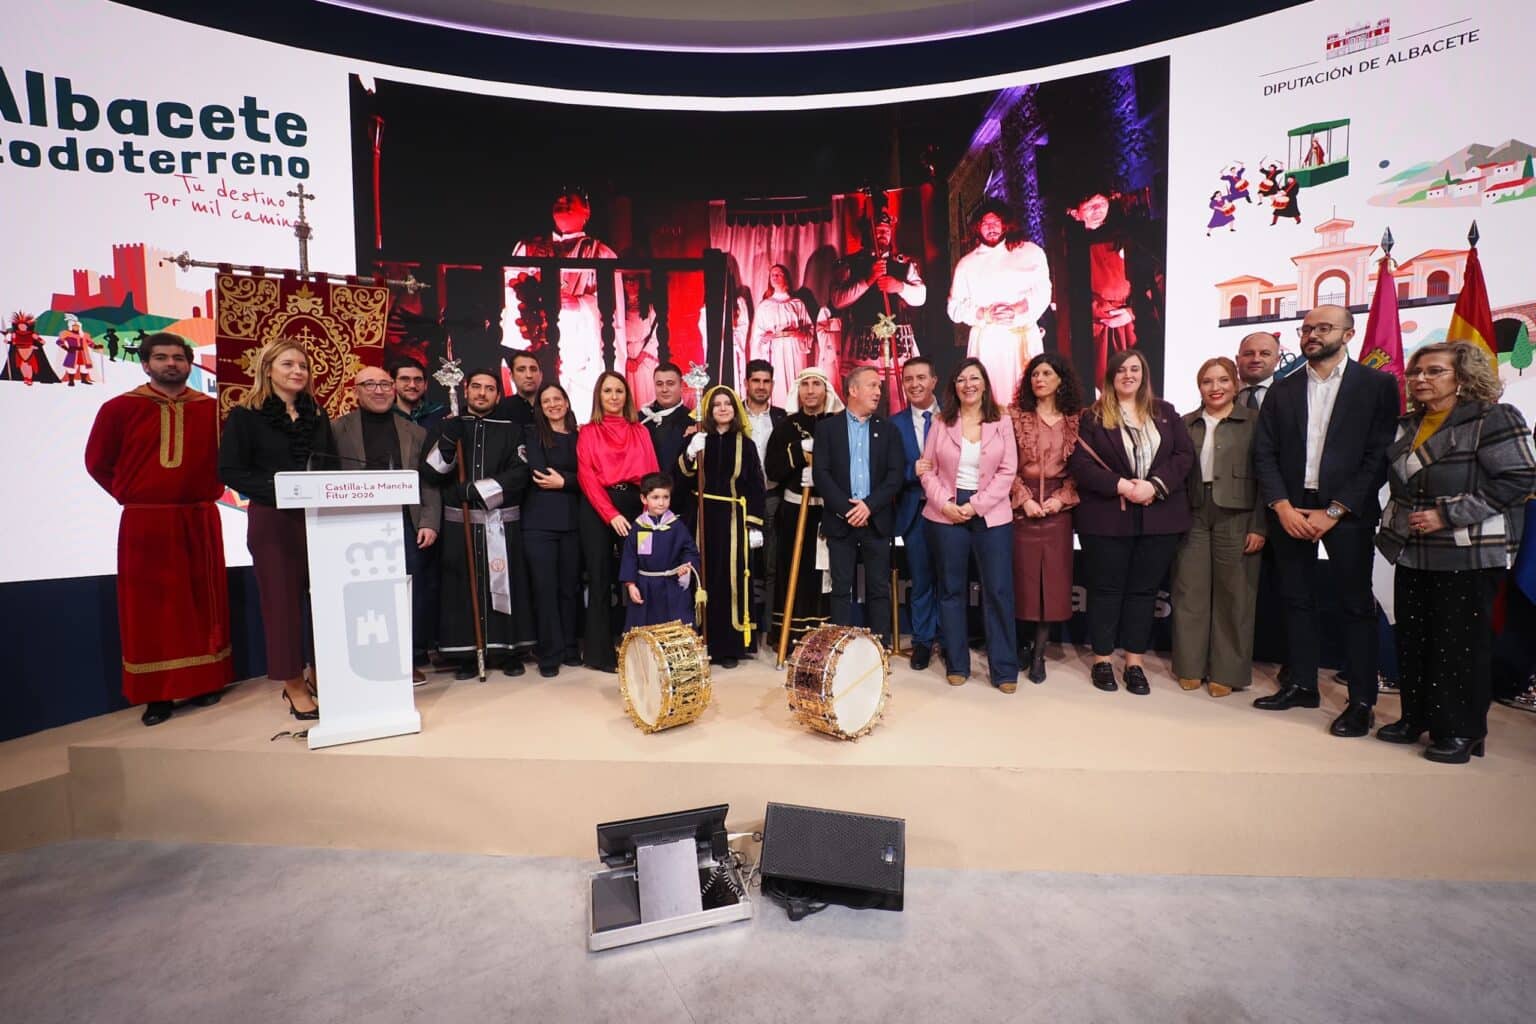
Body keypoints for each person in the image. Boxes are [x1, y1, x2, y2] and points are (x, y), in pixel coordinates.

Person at [1374, 342, 1536, 762]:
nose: (1420, 379)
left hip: (1468, 550)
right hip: (1413, 548)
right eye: (1416, 372)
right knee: (1414, 639)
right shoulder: (1407, 424)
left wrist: (1447, 515)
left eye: (1434, 371)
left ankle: (1462, 731)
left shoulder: (1493, 418)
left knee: (1459, 644)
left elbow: (1518, 478)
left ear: (1462, 377)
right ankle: (1416, 718)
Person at [1251, 305, 1399, 736]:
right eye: (1306, 328)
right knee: (1296, 599)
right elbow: (1265, 452)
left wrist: (1335, 510)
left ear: (1348, 334)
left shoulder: (1377, 385)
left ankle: (1361, 701)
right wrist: (1280, 505)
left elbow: (1379, 455)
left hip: (1345, 512)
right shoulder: (1283, 388)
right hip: (1290, 509)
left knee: (1355, 605)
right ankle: (1302, 684)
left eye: (1323, 328)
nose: (1312, 335)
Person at [85, 333, 232, 726]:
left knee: (202, 603)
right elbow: (98, 462)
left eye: (178, 358)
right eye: (162, 357)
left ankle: (205, 681)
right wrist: (135, 495)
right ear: (146, 363)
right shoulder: (118, 409)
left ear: (189, 363)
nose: (171, 364)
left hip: (198, 518)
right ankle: (157, 694)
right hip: (145, 522)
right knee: (150, 608)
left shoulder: (212, 410)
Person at [1067, 349, 1194, 696]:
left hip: (1159, 517)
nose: (1128, 375)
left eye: (1134, 369)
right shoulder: (1092, 417)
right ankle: (1103, 659)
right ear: (1110, 376)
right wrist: (1122, 486)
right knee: (1105, 590)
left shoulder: (1165, 412)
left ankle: (1134, 662)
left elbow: (1184, 456)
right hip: (1106, 518)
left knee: (1143, 592)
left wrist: (1155, 485)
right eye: (1121, 370)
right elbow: (1080, 465)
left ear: (1144, 374)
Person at [217, 339, 332, 719]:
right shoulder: (245, 416)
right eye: (288, 364)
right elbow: (231, 471)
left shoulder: (317, 414)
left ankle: (320, 674)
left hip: (318, 519)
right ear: (267, 369)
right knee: (282, 605)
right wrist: (282, 491)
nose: (297, 371)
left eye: (303, 365)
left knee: (323, 601)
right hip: (273, 520)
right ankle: (293, 684)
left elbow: (330, 464)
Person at [329, 366, 442, 683]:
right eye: (370, 384)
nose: (378, 390)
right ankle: (364, 660)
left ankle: (408, 658)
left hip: (405, 523)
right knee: (363, 596)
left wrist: (429, 521)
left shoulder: (415, 433)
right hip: (354, 524)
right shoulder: (337, 429)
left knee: (407, 594)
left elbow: (428, 482)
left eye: (384, 384)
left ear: (393, 389)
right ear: (356, 391)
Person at [420, 369, 535, 679]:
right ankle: (467, 654)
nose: (482, 393)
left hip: (500, 521)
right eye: (477, 387)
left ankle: (508, 650)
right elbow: (430, 473)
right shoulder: (447, 426)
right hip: (460, 525)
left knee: (505, 584)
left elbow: (520, 473)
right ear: (466, 390)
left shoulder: (512, 430)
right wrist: (448, 440)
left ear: (498, 395)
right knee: (460, 587)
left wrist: (473, 490)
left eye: (490, 388)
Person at [916, 359, 1020, 690]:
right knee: (951, 590)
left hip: (991, 512)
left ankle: (1004, 669)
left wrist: (975, 505)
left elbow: (1008, 471)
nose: (968, 384)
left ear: (985, 383)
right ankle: (957, 663)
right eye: (961, 379)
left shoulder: (1002, 421)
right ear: (954, 387)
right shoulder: (941, 422)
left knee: (998, 590)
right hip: (946, 510)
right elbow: (926, 470)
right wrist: (946, 504)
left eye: (974, 378)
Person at [1169, 357, 1266, 698]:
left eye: (1223, 380)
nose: (1215, 387)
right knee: (1189, 591)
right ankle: (1189, 666)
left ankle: (1227, 672)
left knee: (1235, 595)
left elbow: (1267, 476)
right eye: (1207, 381)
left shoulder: (1254, 421)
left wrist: (1259, 525)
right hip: (1194, 512)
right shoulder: (1185, 423)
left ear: (1235, 384)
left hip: (1238, 514)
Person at [813, 366, 906, 648]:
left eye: (879, 387)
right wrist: (848, 510)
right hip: (840, 521)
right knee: (841, 588)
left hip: (876, 521)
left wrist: (868, 506)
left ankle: (879, 648)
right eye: (872, 386)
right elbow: (821, 475)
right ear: (853, 390)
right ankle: (840, 649)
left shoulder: (888, 430)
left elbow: (895, 476)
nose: (878, 392)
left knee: (878, 588)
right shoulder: (827, 428)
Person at [505, 187, 616, 422]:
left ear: (587, 211)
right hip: (535, 337)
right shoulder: (528, 248)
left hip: (579, 342)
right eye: (559, 198)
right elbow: (510, 290)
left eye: (570, 199)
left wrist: (580, 303)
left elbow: (613, 305)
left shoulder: (600, 252)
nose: (563, 201)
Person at [577, 371, 660, 671]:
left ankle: (642, 647)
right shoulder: (588, 432)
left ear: (627, 396)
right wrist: (610, 514)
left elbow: (652, 474)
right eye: (608, 391)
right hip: (599, 507)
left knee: (642, 574)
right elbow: (586, 477)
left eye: (619, 391)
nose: (614, 396)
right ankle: (599, 655)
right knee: (600, 578)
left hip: (636, 505)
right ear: (598, 396)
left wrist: (650, 514)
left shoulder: (641, 431)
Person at [1008, 352, 1083, 684]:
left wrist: (1058, 500)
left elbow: (1081, 471)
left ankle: (1039, 654)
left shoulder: (1075, 420)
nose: (1039, 379)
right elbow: (1005, 465)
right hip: (1020, 508)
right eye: (1035, 374)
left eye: (1047, 373)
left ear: (1060, 379)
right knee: (1021, 582)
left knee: (1051, 586)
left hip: (1057, 511)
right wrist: (1024, 499)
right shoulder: (1014, 417)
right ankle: (1022, 645)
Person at [681, 386, 766, 667]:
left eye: (727, 403)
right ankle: (701, 640)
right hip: (701, 517)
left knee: (730, 579)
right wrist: (690, 455)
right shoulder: (697, 439)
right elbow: (679, 479)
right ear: (708, 409)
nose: (722, 408)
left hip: (733, 519)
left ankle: (729, 646)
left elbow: (755, 485)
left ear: (735, 408)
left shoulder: (745, 444)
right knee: (702, 576)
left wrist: (754, 524)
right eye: (716, 404)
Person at [763, 367, 844, 649]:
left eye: (816, 384)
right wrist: (798, 452)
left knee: (824, 573)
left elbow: (849, 467)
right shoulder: (787, 426)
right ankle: (790, 635)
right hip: (795, 510)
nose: (810, 390)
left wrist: (822, 477)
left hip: (827, 512)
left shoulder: (839, 425)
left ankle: (822, 637)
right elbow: (772, 469)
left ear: (826, 390)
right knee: (792, 572)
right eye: (805, 384)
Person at [947, 199, 1051, 407]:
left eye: (996, 222)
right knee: (993, 402)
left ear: (1006, 224)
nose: (991, 227)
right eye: (986, 223)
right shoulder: (967, 264)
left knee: (1029, 402)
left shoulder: (1030, 252)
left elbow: (1043, 292)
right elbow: (954, 308)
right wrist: (984, 314)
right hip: (989, 344)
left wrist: (1017, 310)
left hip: (1023, 337)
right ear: (977, 227)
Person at [520, 382, 586, 676]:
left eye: (557, 399)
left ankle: (570, 647)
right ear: (540, 407)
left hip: (573, 522)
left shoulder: (581, 436)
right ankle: (550, 653)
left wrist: (566, 481)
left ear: (567, 402)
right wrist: (572, 480)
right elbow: (540, 473)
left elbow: (591, 474)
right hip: (539, 525)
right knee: (545, 589)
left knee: (569, 588)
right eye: (546, 401)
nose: (552, 405)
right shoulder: (532, 434)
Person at [833, 209, 926, 407]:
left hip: (898, 341)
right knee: (865, 401)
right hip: (864, 343)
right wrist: (868, 280)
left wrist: (899, 286)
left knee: (898, 400)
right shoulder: (850, 263)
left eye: (886, 230)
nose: (883, 234)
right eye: (878, 230)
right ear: (867, 233)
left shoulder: (904, 264)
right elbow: (838, 300)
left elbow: (921, 297)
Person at [891, 357, 942, 671]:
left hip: (950, 511)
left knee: (951, 580)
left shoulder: (954, 417)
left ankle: (950, 639)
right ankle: (923, 640)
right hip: (915, 512)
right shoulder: (893, 424)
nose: (914, 384)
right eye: (908, 379)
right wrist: (912, 470)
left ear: (934, 381)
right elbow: (887, 472)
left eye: (921, 377)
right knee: (921, 580)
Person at [741, 359, 786, 645]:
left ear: (772, 384)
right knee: (741, 566)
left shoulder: (783, 417)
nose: (761, 386)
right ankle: (743, 631)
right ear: (746, 383)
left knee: (772, 566)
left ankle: (769, 630)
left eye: (766, 381)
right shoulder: (731, 413)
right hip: (740, 502)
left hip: (772, 499)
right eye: (755, 380)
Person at [620, 473, 701, 629]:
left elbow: (690, 551)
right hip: (645, 589)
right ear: (644, 499)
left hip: (672, 587)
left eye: (666, 497)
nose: (661, 502)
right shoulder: (639, 527)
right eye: (655, 497)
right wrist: (631, 585)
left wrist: (686, 567)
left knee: (676, 630)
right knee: (644, 631)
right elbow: (630, 557)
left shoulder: (677, 526)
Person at [639, 362, 696, 524]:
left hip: (681, 506)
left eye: (670, 383)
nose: (664, 389)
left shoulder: (693, 422)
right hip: (643, 506)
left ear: (681, 386)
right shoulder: (639, 419)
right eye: (659, 384)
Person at [752, 265, 814, 408]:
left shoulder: (797, 304)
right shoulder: (764, 306)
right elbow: (757, 336)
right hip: (775, 352)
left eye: (778, 274)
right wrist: (764, 339)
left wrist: (800, 334)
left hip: (794, 351)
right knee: (778, 387)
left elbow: (809, 329)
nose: (775, 277)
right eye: (772, 274)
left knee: (795, 384)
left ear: (786, 277)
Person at [622, 274, 659, 410]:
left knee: (647, 395)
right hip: (624, 357)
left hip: (644, 357)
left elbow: (656, 333)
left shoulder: (650, 307)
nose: (631, 283)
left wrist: (638, 360)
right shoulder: (617, 307)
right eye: (627, 280)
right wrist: (625, 358)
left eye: (634, 279)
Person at [391, 357, 447, 429]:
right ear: (393, 384)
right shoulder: (384, 417)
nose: (412, 385)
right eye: (405, 379)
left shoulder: (442, 413)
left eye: (418, 379)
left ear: (425, 384)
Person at [495, 350, 543, 426]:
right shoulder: (500, 409)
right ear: (511, 376)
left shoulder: (555, 406)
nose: (529, 375)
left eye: (533, 369)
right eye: (521, 370)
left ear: (541, 375)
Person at [1235, 331, 1280, 410]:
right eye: (1248, 354)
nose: (1256, 359)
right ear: (1237, 360)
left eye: (1265, 354)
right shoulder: (1220, 394)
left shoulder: (1293, 393)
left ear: (1277, 360)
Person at [56, 315, 101, 386]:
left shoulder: (84, 335)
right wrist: (67, 348)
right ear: (71, 326)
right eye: (74, 326)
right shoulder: (67, 334)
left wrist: (96, 346)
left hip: (84, 354)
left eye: (77, 326)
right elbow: (59, 341)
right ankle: (71, 381)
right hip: (73, 353)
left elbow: (90, 343)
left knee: (84, 367)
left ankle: (84, 380)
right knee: (72, 367)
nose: (76, 327)